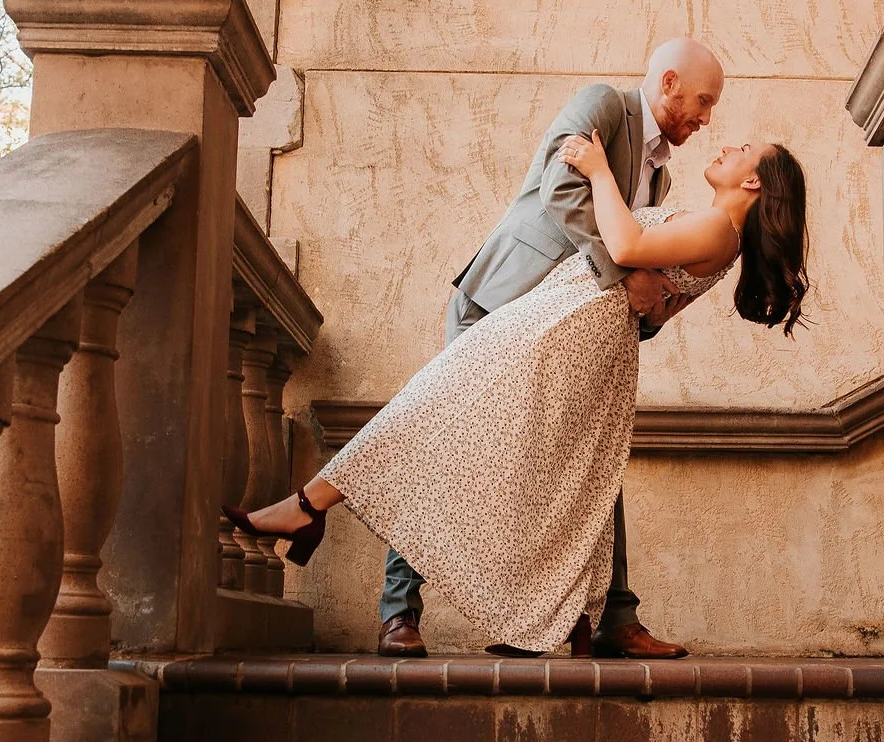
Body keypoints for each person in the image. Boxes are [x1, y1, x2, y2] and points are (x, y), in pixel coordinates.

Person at [225, 97, 811, 658]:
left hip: (566, 330)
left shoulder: (716, 231)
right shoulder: (719, 236)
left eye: (743, 149)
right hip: (570, 325)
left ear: (755, 183)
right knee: (533, 466)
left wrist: (600, 171)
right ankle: (561, 619)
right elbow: (653, 302)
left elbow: (626, 242)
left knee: (431, 411)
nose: (727, 144)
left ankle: (308, 507)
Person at [365, 38, 725, 658]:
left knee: (595, 460)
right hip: (500, 302)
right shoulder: (603, 106)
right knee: (445, 446)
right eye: (702, 101)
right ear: (668, 82)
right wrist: (626, 275)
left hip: (565, 333)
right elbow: (561, 195)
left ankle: (614, 615)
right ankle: (399, 611)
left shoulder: (660, 172)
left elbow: (629, 245)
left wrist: (649, 304)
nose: (706, 117)